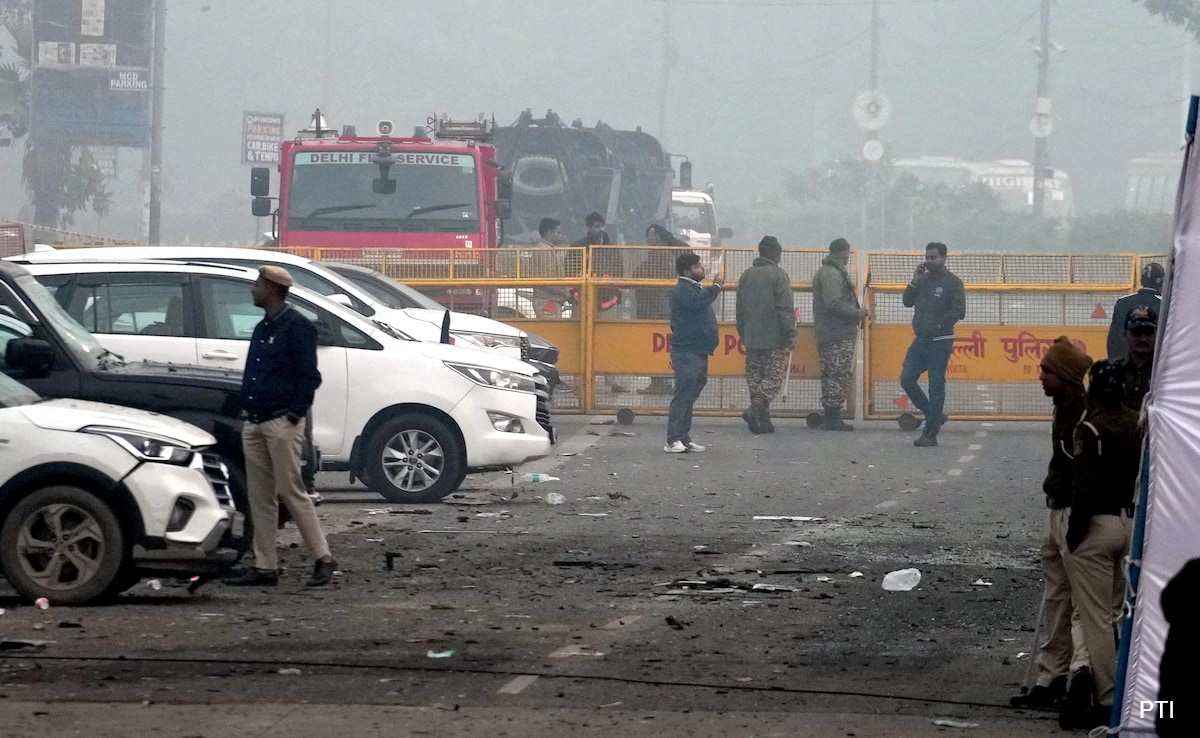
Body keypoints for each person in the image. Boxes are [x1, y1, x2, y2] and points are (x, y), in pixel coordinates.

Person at [226, 266, 337, 588]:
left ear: (273, 289)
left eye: (258, 284)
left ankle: (323, 558)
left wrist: (293, 415)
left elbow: (309, 377)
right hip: (256, 421)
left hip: (280, 422)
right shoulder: (263, 327)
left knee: (292, 492)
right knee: (260, 497)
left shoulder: (297, 327)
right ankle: (265, 566)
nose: (252, 290)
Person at [1011, 337, 1093, 710]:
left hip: (1078, 516)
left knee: (1083, 603)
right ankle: (1052, 675)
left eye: (1048, 371)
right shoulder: (1063, 408)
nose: (1040, 376)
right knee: (1058, 598)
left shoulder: (1085, 415)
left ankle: (1081, 676)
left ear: (1067, 376)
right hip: (1057, 512)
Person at [1059, 360, 1142, 730]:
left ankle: (1109, 698)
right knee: (1115, 613)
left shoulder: (1089, 428)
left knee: (1094, 618)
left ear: (1094, 391)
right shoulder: (1141, 425)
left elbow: (1084, 489)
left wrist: (1073, 537)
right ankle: (1111, 687)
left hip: (1096, 527)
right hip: (1131, 525)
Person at [900, 242, 966, 447]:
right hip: (921, 339)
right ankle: (933, 415)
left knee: (936, 384)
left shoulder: (953, 282)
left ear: (943, 258)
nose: (929, 261)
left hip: (940, 340)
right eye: (927, 257)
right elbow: (907, 302)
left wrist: (939, 325)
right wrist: (914, 282)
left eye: (933, 257)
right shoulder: (923, 279)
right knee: (907, 379)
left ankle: (931, 433)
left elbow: (959, 311)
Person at [735, 236, 796, 434]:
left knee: (755, 377)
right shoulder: (779, 276)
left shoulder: (746, 275)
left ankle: (762, 418)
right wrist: (790, 333)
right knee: (774, 378)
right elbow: (785, 308)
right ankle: (756, 409)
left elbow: (740, 309)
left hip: (751, 336)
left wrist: (743, 332)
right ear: (777, 254)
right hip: (773, 337)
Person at [665, 252, 723, 453]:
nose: (702, 270)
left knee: (690, 394)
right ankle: (673, 439)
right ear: (687, 270)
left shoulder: (693, 289)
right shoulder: (683, 290)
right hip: (687, 351)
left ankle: (683, 436)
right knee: (683, 394)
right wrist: (715, 288)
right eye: (698, 267)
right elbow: (697, 303)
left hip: (698, 350)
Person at [812, 237, 869, 431]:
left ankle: (831, 414)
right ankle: (833, 416)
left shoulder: (830, 272)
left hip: (832, 331)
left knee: (832, 374)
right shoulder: (832, 275)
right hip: (836, 332)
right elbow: (833, 303)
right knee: (837, 374)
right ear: (844, 254)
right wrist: (857, 313)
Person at [570, 212, 627, 393]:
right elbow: (569, 273)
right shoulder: (577, 247)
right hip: (582, 301)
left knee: (609, 341)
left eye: (601, 226)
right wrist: (574, 296)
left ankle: (612, 381)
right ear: (588, 228)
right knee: (581, 340)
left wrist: (617, 296)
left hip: (608, 302)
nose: (600, 229)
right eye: (596, 226)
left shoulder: (612, 249)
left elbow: (620, 274)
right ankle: (579, 383)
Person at [637, 224, 694, 395]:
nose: (648, 241)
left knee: (666, 346)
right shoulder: (677, 248)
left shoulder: (668, 253)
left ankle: (663, 381)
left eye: (650, 237)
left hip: (663, 306)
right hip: (666, 305)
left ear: (658, 237)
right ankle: (664, 381)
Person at [1107, 262, 1163, 361]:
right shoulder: (1165, 305)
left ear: (1141, 280)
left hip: (1125, 364)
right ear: (1162, 282)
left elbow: (1113, 340)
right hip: (1154, 366)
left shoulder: (1122, 302)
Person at [1116, 304, 1157, 413]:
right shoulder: (1113, 372)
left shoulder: (1165, 373)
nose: (1143, 339)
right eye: (1137, 332)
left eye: (1149, 333)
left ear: (1158, 336)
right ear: (1124, 335)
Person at [529, 218, 566, 318]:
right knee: (552, 330)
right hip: (548, 300)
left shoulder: (545, 248)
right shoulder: (545, 250)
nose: (561, 236)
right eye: (558, 232)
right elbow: (548, 278)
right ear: (550, 233)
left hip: (548, 299)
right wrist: (564, 292)